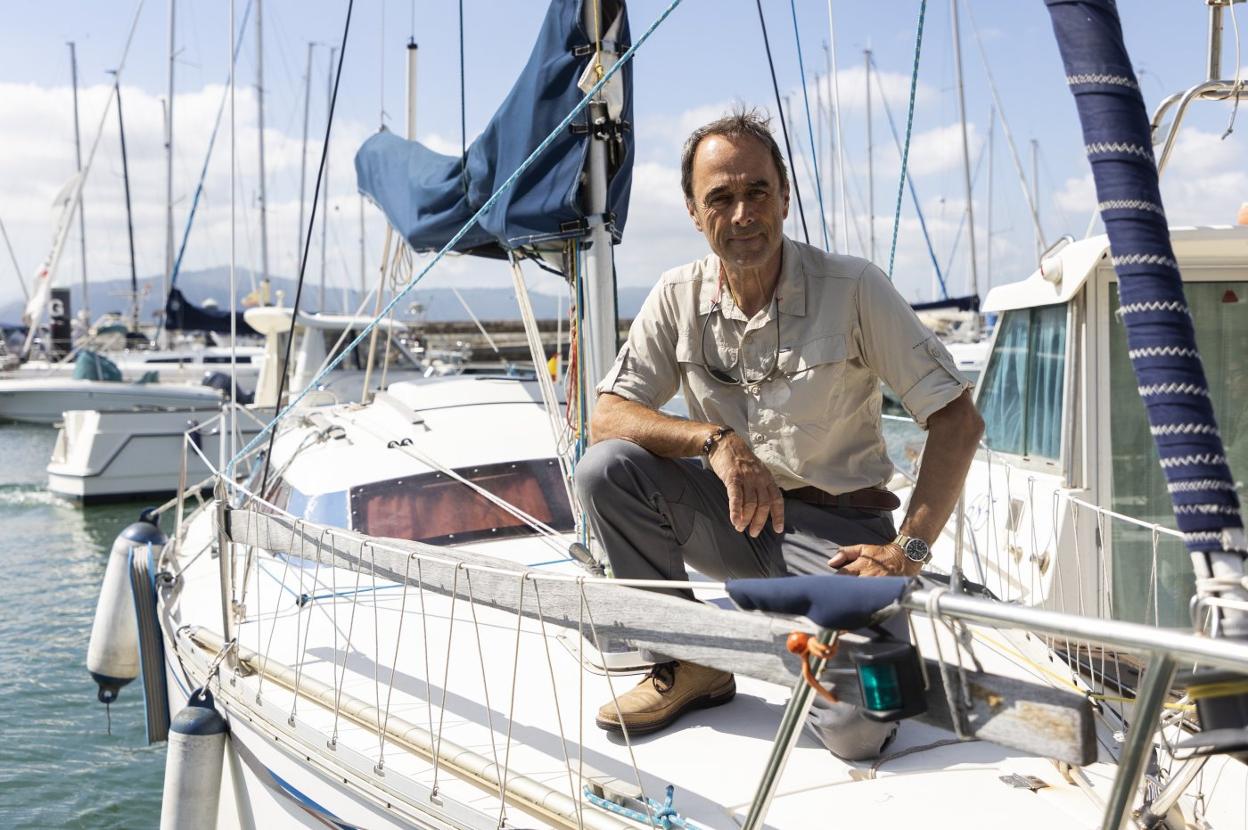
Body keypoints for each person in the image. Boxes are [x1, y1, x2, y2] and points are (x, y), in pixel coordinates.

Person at [574, 108, 984, 756]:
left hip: (840, 536)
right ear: (693, 210)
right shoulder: (676, 295)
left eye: (757, 191)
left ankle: (835, 647)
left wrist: (905, 555)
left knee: (854, 732)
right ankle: (688, 661)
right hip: (734, 522)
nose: (742, 214)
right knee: (607, 469)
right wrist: (717, 442)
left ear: (784, 196)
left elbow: (957, 421)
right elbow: (606, 417)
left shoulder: (852, 288)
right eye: (721, 197)